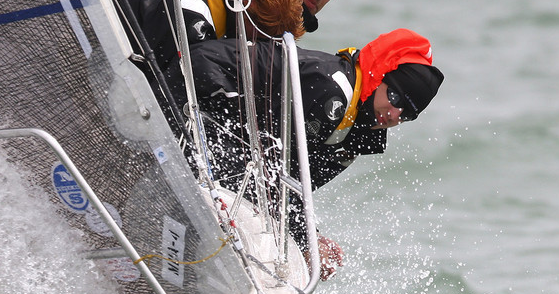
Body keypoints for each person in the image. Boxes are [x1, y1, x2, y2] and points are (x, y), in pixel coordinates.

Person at [181, 29, 443, 275]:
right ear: (379, 76)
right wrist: (308, 240)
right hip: (196, 84)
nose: (394, 114)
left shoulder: (358, 135)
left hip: (235, 130)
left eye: (407, 114)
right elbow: (273, 169)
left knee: (258, 199)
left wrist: (310, 240)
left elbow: (292, 185)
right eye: (395, 97)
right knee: (245, 183)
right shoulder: (333, 90)